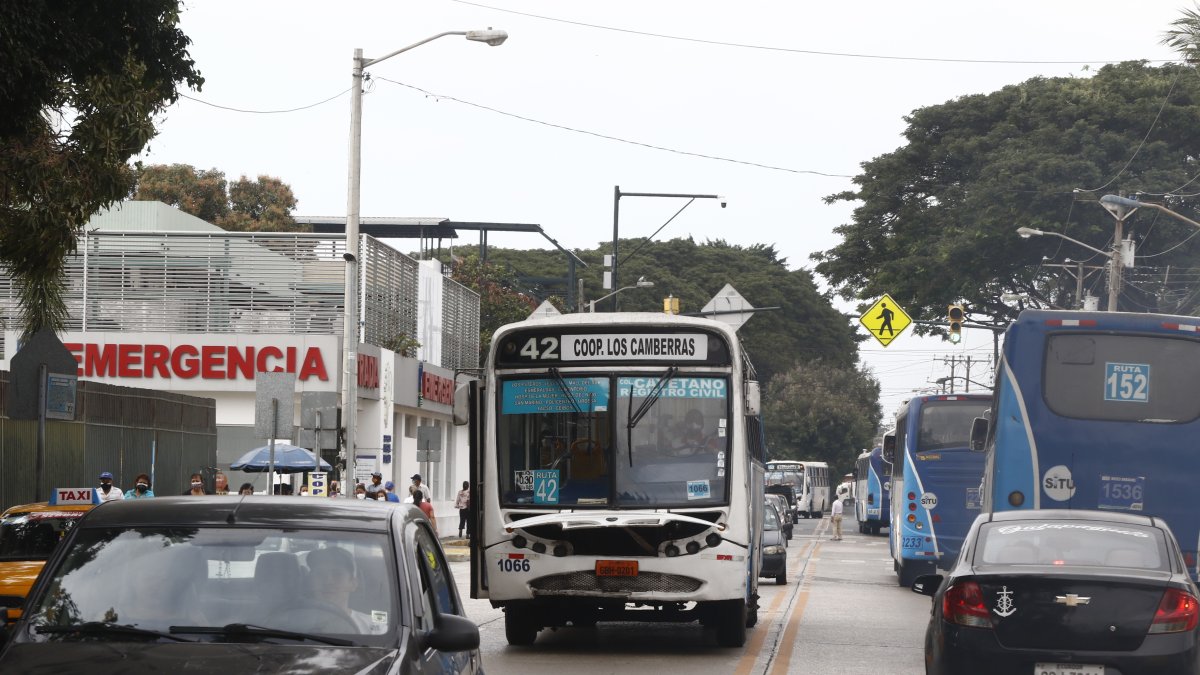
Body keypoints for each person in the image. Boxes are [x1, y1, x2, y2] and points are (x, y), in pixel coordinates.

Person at [302, 546, 387, 634]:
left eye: (337, 574)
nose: (328, 581)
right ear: (310, 582)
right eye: (320, 574)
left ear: (353, 584)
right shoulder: (296, 623)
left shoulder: (375, 627)